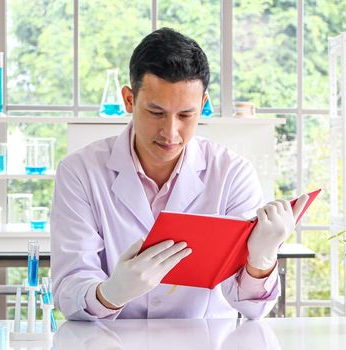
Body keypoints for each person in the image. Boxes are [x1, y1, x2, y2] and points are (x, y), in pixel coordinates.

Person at [50, 27, 307, 320]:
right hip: (113, 341)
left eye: (186, 115)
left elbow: (252, 309)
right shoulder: (80, 172)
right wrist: (111, 293)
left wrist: (261, 259)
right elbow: (69, 288)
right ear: (129, 100)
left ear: (203, 105)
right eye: (156, 112)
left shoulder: (232, 174)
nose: (170, 132)